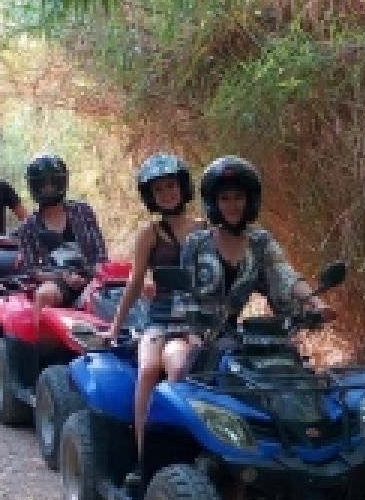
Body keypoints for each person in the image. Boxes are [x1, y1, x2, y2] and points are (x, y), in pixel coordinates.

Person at [106, 153, 207, 452]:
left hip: (198, 316)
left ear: (182, 187)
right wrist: (115, 327)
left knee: (179, 366)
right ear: (150, 196)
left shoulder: (206, 230)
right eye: (158, 189)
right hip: (160, 317)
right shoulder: (149, 234)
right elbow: (135, 281)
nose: (166, 194)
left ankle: (182, 446)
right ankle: (143, 452)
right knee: (149, 367)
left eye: (170, 186)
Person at [181, 155, 328, 332]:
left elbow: (284, 275)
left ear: (249, 201)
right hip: (195, 335)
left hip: (234, 337)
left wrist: (316, 303)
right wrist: (190, 335)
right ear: (214, 203)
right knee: (183, 358)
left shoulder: (259, 242)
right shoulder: (196, 242)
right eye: (225, 198)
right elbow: (183, 293)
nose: (232, 204)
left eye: (238, 197)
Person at [15, 152, 107, 309]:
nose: (48, 189)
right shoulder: (28, 227)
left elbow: (100, 254)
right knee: (44, 295)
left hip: (92, 277)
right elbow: (33, 271)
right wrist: (65, 276)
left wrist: (92, 276)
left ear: (61, 182)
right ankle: (41, 334)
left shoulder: (82, 211)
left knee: (138, 289)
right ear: (35, 187)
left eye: (53, 183)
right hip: (57, 282)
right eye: (43, 185)